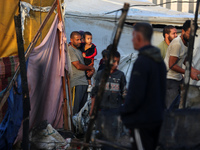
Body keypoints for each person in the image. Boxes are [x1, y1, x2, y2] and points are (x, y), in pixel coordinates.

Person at [120, 22, 166, 150]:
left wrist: (124, 112)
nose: (132, 39)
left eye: (133, 35)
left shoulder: (142, 62)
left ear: (139, 37)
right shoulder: (159, 61)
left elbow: (135, 95)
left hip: (142, 121)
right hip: (157, 118)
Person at [90, 51, 127, 149]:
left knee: (112, 135)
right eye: (113, 61)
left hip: (115, 110)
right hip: (102, 110)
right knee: (101, 134)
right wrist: (92, 109)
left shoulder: (121, 75)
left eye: (117, 62)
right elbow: (94, 93)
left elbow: (124, 93)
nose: (115, 64)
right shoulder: (100, 74)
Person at [164, 20, 200, 109]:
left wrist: (194, 70)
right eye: (189, 33)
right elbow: (172, 65)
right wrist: (189, 73)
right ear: (183, 31)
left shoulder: (187, 43)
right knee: (171, 108)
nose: (191, 36)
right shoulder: (177, 43)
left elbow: (185, 61)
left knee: (181, 105)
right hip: (169, 79)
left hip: (178, 78)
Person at [68, 31, 95, 115]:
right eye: (77, 40)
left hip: (84, 82)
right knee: (75, 109)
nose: (79, 41)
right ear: (71, 40)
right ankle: (73, 127)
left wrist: (91, 71)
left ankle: (79, 127)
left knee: (82, 110)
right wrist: (91, 68)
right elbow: (78, 66)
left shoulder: (80, 51)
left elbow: (84, 65)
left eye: (80, 39)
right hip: (77, 82)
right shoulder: (70, 49)